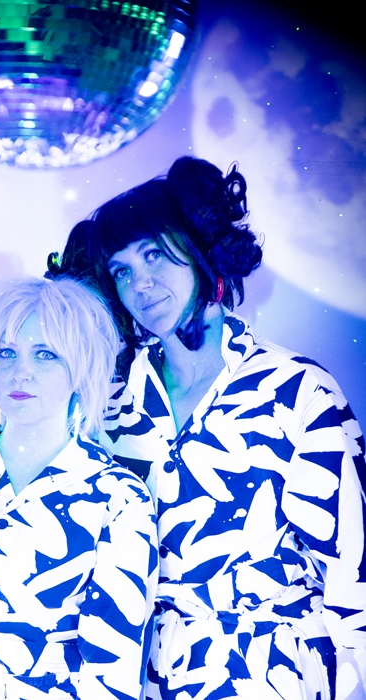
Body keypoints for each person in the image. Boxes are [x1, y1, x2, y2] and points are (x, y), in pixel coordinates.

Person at [75, 156, 366, 699]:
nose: (141, 284)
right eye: (121, 271)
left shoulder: (297, 390)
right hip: (148, 677)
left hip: (273, 674)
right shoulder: (106, 409)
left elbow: (356, 579)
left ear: (198, 245)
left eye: (153, 254)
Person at [0, 277, 159, 700]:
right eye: (6, 353)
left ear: (81, 368)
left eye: (45, 354)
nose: (21, 371)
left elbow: (114, 669)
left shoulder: (118, 498)